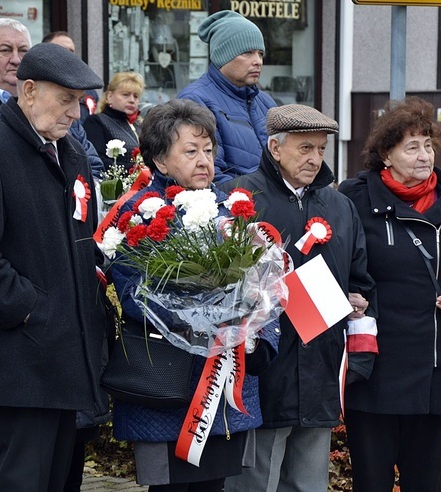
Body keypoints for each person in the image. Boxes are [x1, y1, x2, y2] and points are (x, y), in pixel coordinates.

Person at [0, 42, 108, 492]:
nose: (76, 112)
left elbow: (77, 237)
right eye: (66, 99)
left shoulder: (68, 153)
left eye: (80, 101)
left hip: (66, 359)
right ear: (28, 91)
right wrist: (32, 308)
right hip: (19, 365)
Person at [109, 98, 280, 491]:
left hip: (225, 378)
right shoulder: (139, 215)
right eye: (190, 151)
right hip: (168, 381)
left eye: (208, 150)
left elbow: (266, 286)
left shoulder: (232, 210)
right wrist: (205, 318)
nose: (204, 160)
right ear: (159, 160)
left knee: (214, 485)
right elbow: (136, 294)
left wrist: (257, 331)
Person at [338, 96, 441, 492]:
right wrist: (351, 296)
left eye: (428, 144)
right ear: (386, 155)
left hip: (434, 367)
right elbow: (336, 266)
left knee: (424, 481)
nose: (424, 155)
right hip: (374, 366)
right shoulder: (354, 199)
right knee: (371, 481)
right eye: (412, 147)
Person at [221, 104, 377, 492]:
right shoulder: (240, 199)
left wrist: (357, 298)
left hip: (320, 363)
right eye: (305, 148)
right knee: (256, 482)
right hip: (265, 367)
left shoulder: (339, 206)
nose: (315, 158)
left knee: (309, 483)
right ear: (275, 148)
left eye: (321, 149)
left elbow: (360, 277)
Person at [0, 19, 104, 180]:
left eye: (23, 51)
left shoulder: (59, 106)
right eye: (5, 50)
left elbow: (92, 167)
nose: (16, 60)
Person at [177, 10, 276, 184]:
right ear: (224, 56)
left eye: (260, 53)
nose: (258, 61)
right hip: (235, 206)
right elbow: (208, 177)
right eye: (248, 53)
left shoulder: (265, 101)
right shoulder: (195, 101)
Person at [83, 71, 143, 173]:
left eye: (136, 96)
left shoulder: (139, 124)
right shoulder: (96, 122)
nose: (132, 100)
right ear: (109, 96)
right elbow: (97, 160)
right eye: (126, 95)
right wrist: (134, 169)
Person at [42, 31, 99, 124]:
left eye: (71, 51)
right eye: (62, 50)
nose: (68, 55)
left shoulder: (88, 91)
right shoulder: (37, 86)